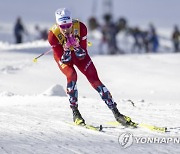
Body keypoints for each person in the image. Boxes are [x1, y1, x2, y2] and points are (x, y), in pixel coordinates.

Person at [48, 8, 135, 126]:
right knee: (72, 75)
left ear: (71, 22)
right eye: (62, 26)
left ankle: (117, 113)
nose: (66, 29)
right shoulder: (53, 35)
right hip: (63, 57)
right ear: (58, 25)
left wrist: (77, 46)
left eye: (68, 25)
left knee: (95, 80)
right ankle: (75, 112)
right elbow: (64, 60)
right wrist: (67, 49)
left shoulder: (81, 27)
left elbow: (82, 55)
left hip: (79, 55)